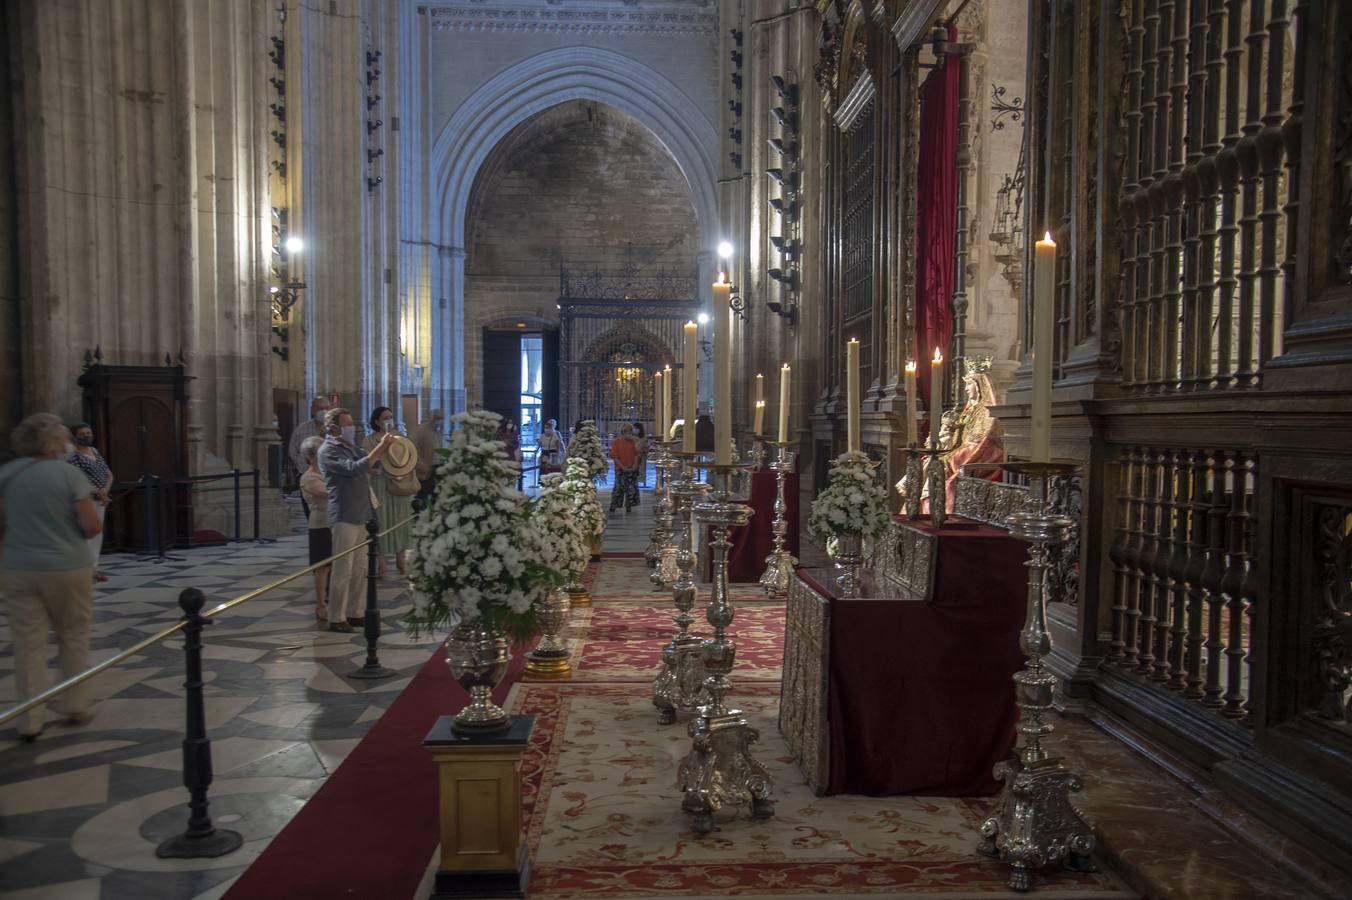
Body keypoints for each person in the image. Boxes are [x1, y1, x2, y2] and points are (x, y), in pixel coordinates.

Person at [0, 413, 104, 741]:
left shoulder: (6, 474)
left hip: (18, 567)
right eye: (64, 439)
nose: (68, 444)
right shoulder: (68, 474)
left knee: (28, 643)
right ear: (54, 442)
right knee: (72, 635)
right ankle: (76, 705)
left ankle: (29, 720)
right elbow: (91, 526)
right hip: (67, 567)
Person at [318, 407, 394, 633]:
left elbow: (373, 466)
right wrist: (379, 449)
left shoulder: (351, 447)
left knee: (360, 567)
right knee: (343, 567)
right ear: (333, 428)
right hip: (344, 513)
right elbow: (352, 469)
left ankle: (355, 611)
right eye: (347, 424)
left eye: (352, 423)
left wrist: (388, 452)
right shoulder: (328, 450)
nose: (352, 428)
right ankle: (337, 616)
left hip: (362, 513)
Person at [362, 407, 413, 578]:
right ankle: (381, 565)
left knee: (400, 521)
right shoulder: (369, 441)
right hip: (380, 486)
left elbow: (408, 458)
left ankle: (401, 560)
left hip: (399, 486)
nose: (389, 420)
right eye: (385, 418)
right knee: (381, 523)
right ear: (376, 421)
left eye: (391, 417)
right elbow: (368, 464)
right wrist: (384, 469)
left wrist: (401, 470)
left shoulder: (400, 437)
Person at [67, 422, 114, 582]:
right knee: (87, 533)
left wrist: (105, 492)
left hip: (101, 499)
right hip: (86, 499)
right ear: (75, 437)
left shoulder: (95, 451)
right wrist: (97, 492)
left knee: (97, 534)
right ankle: (85, 568)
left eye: (88, 432)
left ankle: (94, 567)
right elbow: (76, 479)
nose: (86, 436)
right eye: (82, 434)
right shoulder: (74, 457)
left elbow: (108, 474)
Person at [299, 436, 331, 621]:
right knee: (323, 566)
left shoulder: (328, 473)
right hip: (320, 524)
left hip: (335, 522)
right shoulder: (308, 477)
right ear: (311, 457)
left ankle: (333, 598)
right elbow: (327, 492)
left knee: (336, 565)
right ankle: (321, 604)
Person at [289, 396, 333, 514]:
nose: (323, 411)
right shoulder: (302, 429)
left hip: (331, 475)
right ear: (313, 410)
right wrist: (303, 467)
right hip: (309, 475)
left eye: (326, 408)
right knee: (312, 511)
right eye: (320, 408)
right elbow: (293, 451)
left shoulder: (336, 428)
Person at [412, 409, 445, 502]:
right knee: (423, 495)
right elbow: (414, 450)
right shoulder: (421, 431)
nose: (439, 421)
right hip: (425, 468)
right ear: (431, 418)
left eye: (442, 418)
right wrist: (420, 464)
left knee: (436, 494)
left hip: (438, 467)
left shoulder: (438, 432)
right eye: (437, 418)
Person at [608, 424, 641, 513]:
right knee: (618, 487)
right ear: (623, 433)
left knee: (631, 487)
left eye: (631, 432)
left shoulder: (633, 441)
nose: (629, 434)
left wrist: (634, 466)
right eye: (627, 432)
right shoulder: (616, 442)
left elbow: (637, 454)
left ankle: (629, 506)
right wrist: (622, 467)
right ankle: (614, 505)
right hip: (620, 468)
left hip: (632, 467)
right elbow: (615, 456)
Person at [632, 422, 648, 486]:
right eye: (634, 428)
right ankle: (634, 481)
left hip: (641, 456)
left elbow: (646, 447)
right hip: (633, 456)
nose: (635, 429)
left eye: (636, 428)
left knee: (641, 469)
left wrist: (642, 451)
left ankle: (642, 481)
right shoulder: (632, 437)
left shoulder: (644, 438)